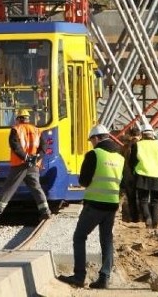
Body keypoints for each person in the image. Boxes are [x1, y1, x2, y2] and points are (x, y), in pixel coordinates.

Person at [58, 124, 124, 290]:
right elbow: (124, 182)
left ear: (96, 138)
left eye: (91, 140)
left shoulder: (94, 154)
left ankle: (79, 276)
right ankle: (105, 277)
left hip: (94, 204)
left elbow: (84, 181)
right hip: (112, 204)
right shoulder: (119, 157)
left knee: (79, 237)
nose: (91, 143)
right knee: (106, 240)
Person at [0, 109, 50, 221]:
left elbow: (15, 146)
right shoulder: (37, 130)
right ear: (27, 119)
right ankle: (45, 211)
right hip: (33, 165)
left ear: (19, 119)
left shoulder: (16, 129)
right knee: (36, 187)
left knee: (9, 187)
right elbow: (44, 147)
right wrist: (36, 158)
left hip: (20, 164)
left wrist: (26, 157)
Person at [129, 124, 158, 229]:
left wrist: (133, 173)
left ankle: (147, 219)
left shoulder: (137, 145)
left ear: (142, 134)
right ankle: (155, 221)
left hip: (142, 175)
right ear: (153, 134)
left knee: (143, 200)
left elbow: (132, 162)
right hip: (157, 176)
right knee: (155, 201)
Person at [120, 123, 142, 223]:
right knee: (143, 197)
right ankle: (144, 216)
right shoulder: (142, 146)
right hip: (141, 174)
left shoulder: (125, 147)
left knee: (131, 198)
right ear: (140, 135)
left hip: (128, 175)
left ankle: (134, 218)